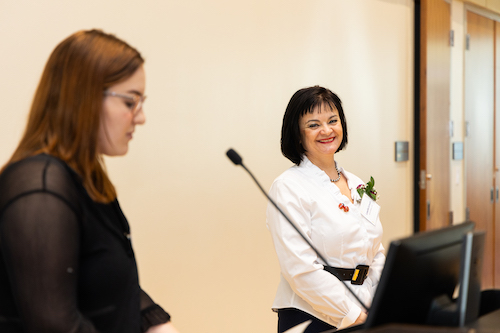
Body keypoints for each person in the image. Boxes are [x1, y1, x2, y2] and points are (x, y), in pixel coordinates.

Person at [0, 29, 179, 333]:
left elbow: (110, 285)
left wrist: (157, 326)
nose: (140, 116)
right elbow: (55, 325)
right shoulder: (40, 187)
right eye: (130, 102)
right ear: (83, 97)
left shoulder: (86, 178)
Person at [266, 86, 385, 332]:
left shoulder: (357, 184)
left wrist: (377, 301)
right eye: (313, 124)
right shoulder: (288, 187)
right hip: (312, 315)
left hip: (366, 308)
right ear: (297, 134)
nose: (327, 130)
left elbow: (376, 252)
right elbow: (300, 269)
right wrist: (353, 313)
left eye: (333, 120)